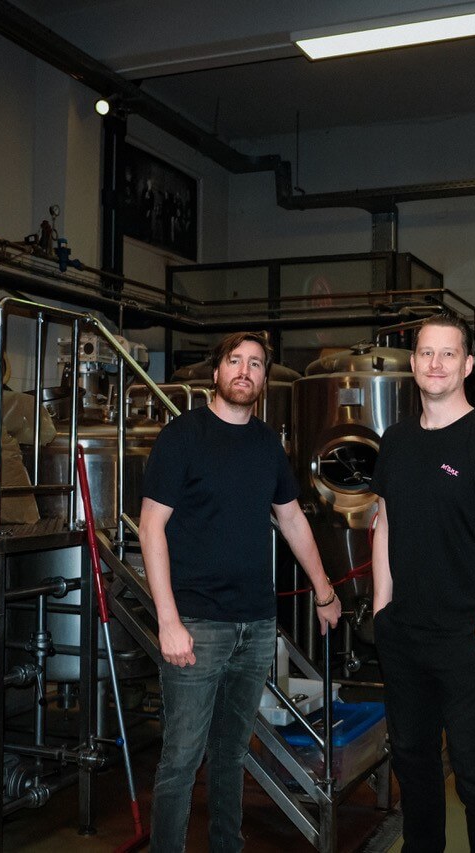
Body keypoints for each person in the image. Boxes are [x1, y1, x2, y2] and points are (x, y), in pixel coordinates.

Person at [139, 331, 342, 853]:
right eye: (235, 361)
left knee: (232, 754)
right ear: (217, 372)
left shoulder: (266, 444)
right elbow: (151, 526)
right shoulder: (183, 436)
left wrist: (324, 591)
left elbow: (292, 519)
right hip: (197, 624)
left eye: (255, 364)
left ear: (264, 379)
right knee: (182, 760)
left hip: (256, 624)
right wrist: (168, 621)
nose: (244, 371)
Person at [370, 314, 475, 853]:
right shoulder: (395, 441)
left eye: (447, 353)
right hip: (404, 637)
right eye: (425, 353)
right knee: (413, 769)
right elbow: (385, 522)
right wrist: (382, 610)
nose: (435, 363)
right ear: (413, 363)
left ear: (467, 365)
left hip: (467, 640)